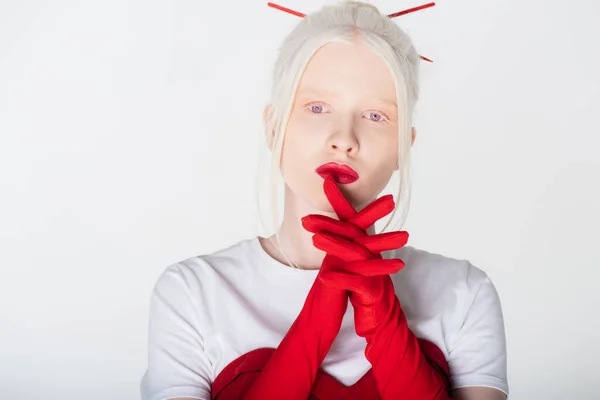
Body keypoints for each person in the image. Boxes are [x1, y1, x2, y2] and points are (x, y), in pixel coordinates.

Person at [140, 1, 508, 399]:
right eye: (317, 108)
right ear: (273, 126)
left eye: (375, 116)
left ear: (405, 146)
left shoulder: (464, 293)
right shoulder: (193, 294)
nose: (344, 139)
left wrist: (387, 329)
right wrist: (314, 324)